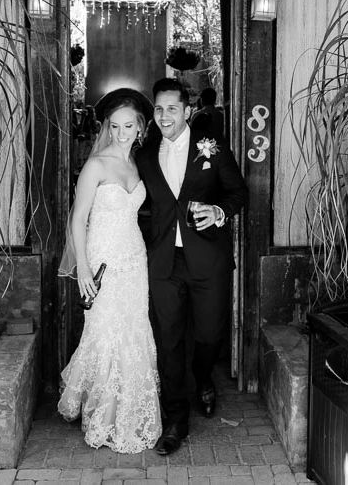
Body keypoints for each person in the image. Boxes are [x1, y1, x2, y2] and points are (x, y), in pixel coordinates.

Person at [136, 77, 247, 456]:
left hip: (207, 260)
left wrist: (218, 211)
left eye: (171, 108)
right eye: (158, 108)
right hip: (164, 262)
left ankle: (204, 377)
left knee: (209, 335)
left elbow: (239, 192)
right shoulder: (146, 153)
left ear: (187, 111)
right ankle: (175, 421)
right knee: (169, 341)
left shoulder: (211, 149)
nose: (164, 115)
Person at [57, 88, 162, 453]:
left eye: (128, 125)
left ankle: (132, 415)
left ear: (140, 127)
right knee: (104, 331)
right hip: (103, 260)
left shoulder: (138, 163)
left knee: (134, 331)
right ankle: (102, 417)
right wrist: (83, 269)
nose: (121, 133)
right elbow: (78, 219)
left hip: (135, 259)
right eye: (114, 126)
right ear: (107, 127)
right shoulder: (97, 164)